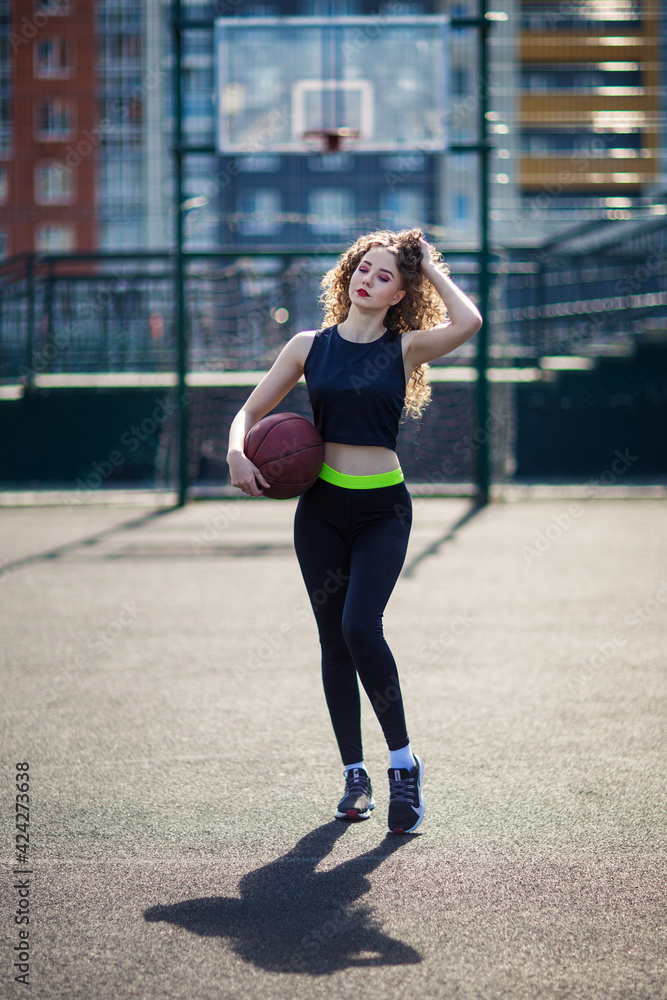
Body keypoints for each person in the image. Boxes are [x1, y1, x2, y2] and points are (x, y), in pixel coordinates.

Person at [227, 228, 482, 834]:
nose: (369, 279)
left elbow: (469, 322)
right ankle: (353, 776)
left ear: (399, 294)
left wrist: (427, 265)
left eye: (385, 275)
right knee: (333, 644)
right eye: (362, 269)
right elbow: (249, 412)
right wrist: (238, 451)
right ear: (349, 275)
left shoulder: (405, 348)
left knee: (361, 627)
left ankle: (403, 765)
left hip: (382, 512)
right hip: (319, 512)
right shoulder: (308, 346)